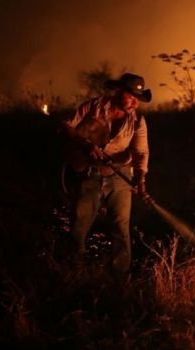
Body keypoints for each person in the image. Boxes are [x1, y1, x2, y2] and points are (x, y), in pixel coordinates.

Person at [60, 73, 151, 275]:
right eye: (130, 97)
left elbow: (140, 152)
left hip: (120, 176)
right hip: (90, 172)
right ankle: (73, 270)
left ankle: (119, 275)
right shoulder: (93, 107)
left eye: (138, 99)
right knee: (79, 222)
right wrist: (85, 145)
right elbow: (66, 126)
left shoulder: (138, 122)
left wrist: (140, 178)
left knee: (120, 226)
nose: (134, 103)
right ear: (118, 92)